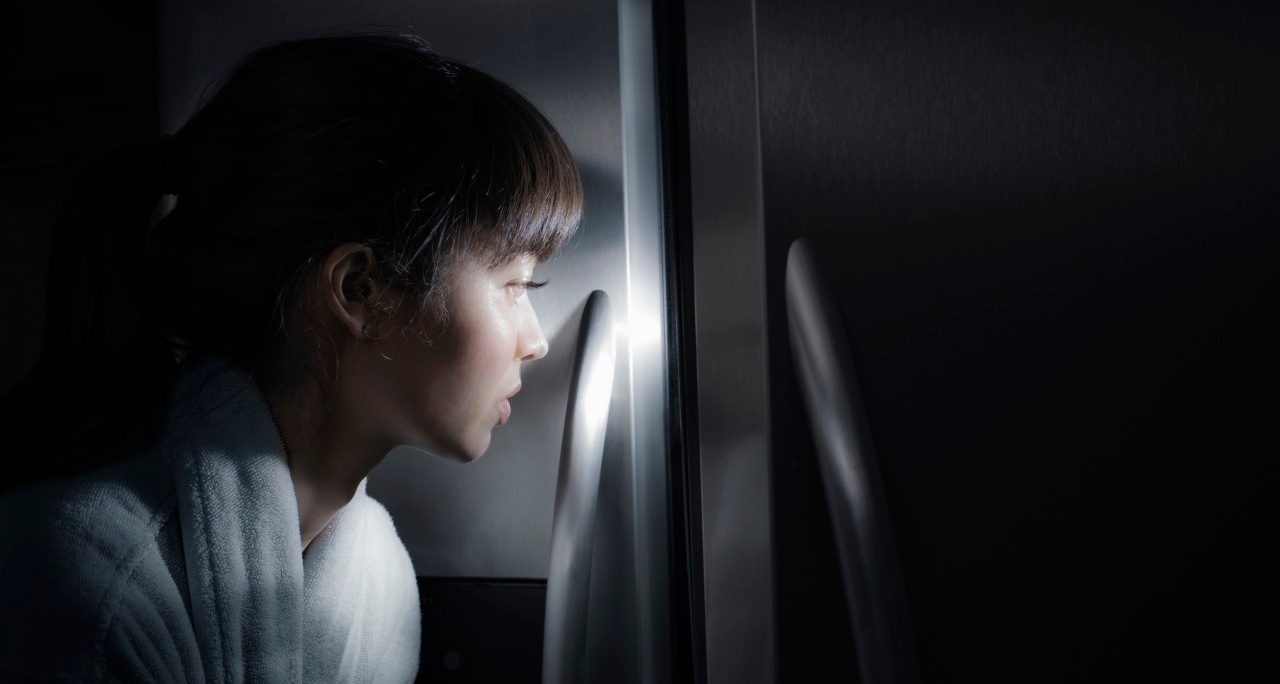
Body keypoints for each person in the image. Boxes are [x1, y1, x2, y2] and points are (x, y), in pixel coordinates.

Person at [0, 32, 582, 683]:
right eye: (514, 286)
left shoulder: (378, 579)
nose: (536, 340)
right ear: (360, 291)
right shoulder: (83, 588)